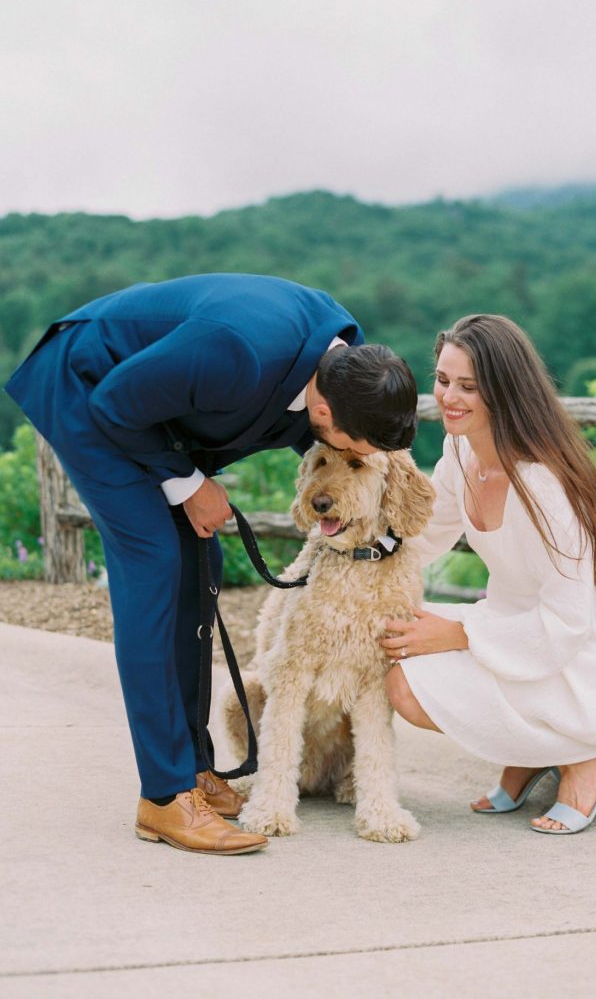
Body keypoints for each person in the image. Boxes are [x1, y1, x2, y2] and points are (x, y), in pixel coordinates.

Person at [5, 272, 417, 855]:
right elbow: (115, 403)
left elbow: (355, 452)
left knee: (202, 559)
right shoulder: (238, 352)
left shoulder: (353, 369)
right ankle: (164, 798)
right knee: (154, 564)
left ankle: (195, 770)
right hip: (90, 391)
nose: (352, 453)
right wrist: (188, 480)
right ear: (323, 409)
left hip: (155, 413)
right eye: (352, 444)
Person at [380, 314, 596, 834]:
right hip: (508, 626)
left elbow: (567, 624)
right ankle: (530, 749)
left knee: (407, 687)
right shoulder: (460, 448)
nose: (449, 397)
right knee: (392, 646)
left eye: (469, 386)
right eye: (443, 379)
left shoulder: (545, 485)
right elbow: (428, 535)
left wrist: (454, 633)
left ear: (504, 390)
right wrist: (361, 552)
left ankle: (585, 759)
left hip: (577, 654)